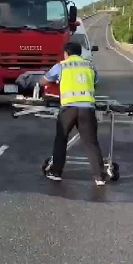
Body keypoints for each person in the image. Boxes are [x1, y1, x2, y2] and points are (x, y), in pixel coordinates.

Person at [39, 41, 106, 186]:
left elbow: (43, 81)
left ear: (66, 53)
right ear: (80, 53)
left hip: (68, 109)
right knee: (91, 142)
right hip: (87, 108)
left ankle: (56, 173)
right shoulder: (90, 66)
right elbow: (95, 82)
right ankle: (99, 177)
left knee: (61, 139)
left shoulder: (61, 66)